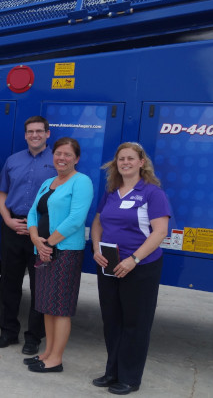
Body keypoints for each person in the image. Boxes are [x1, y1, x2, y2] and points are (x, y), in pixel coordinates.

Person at [90, 143, 171, 395]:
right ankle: (112, 372)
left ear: (141, 162)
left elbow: (160, 232)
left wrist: (133, 259)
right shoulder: (112, 192)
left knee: (135, 324)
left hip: (140, 267)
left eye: (130, 158)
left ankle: (130, 378)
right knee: (112, 320)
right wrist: (96, 248)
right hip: (110, 264)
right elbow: (97, 223)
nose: (125, 162)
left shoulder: (152, 193)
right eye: (121, 159)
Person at [25, 137, 93, 373]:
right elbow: (33, 213)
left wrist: (49, 244)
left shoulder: (81, 182)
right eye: (58, 153)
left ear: (77, 158)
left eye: (67, 154)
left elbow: (76, 219)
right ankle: (47, 353)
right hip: (43, 250)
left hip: (65, 253)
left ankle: (56, 359)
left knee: (61, 307)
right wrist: (36, 239)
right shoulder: (48, 182)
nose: (62, 158)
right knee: (46, 305)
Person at [0, 116, 57, 355]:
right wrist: (8, 220)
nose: (34, 135)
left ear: (47, 134)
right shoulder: (13, 160)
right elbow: (2, 193)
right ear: (25, 135)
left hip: (42, 232)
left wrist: (39, 229)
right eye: (30, 131)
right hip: (13, 227)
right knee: (9, 283)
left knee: (40, 286)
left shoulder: (57, 160)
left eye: (39, 131)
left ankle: (33, 338)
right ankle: (8, 332)